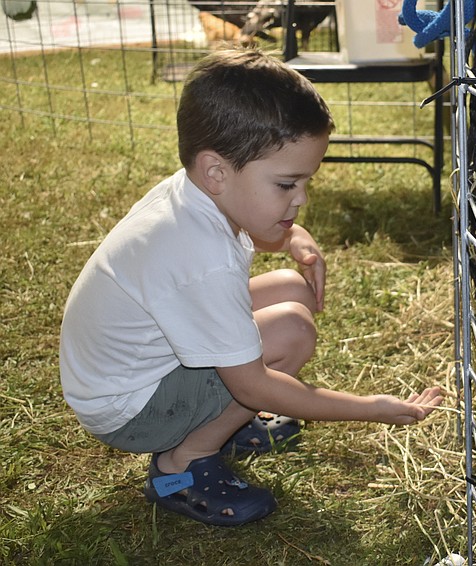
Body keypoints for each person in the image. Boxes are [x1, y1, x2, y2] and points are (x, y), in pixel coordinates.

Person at [58, 49, 444, 527]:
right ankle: (182, 463)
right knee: (291, 331)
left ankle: (222, 424)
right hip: (129, 410)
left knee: (291, 288)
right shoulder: (203, 258)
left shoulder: (190, 192)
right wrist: (373, 408)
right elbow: (254, 382)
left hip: (131, 370)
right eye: (286, 185)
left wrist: (292, 237)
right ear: (216, 171)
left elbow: (246, 222)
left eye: (305, 182)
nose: (301, 199)